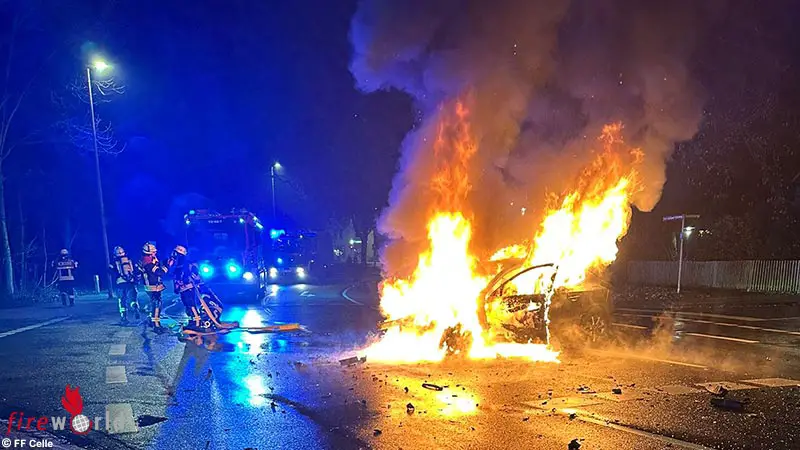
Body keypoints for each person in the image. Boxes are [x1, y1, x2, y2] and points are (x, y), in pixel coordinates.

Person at [138, 242, 174, 333]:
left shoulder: (148, 260)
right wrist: (167, 266)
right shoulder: (147, 262)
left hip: (154, 286)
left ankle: (153, 321)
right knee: (157, 305)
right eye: (153, 252)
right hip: (152, 287)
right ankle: (156, 325)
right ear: (149, 253)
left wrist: (166, 261)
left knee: (156, 304)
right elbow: (159, 272)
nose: (155, 253)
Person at [109, 246, 139, 324]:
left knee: (122, 300)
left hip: (120, 283)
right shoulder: (130, 260)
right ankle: (135, 307)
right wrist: (134, 279)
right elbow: (136, 270)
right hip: (131, 282)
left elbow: (111, 272)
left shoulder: (113, 262)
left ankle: (124, 317)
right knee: (133, 299)